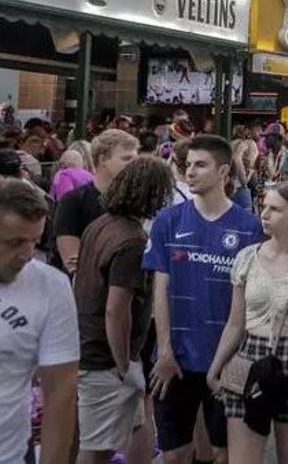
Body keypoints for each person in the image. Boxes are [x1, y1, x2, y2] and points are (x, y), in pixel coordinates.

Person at [144, 135, 264, 464]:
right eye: (187, 165)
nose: (190, 172)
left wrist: (240, 359)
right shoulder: (168, 220)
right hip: (175, 359)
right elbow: (160, 289)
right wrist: (164, 349)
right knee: (174, 454)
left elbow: (252, 301)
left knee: (223, 454)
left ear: (224, 171)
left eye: (200, 165)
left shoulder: (251, 227)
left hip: (230, 361)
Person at [208, 183, 288, 464]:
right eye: (263, 206)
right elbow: (235, 322)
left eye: (274, 209)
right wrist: (216, 367)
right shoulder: (246, 258)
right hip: (247, 357)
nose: (264, 214)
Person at [73, 156, 174, 464]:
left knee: (132, 425)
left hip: (87, 346)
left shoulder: (99, 225)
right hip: (106, 358)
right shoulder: (132, 240)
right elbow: (116, 309)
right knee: (98, 448)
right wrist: (124, 366)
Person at [0, 179, 78, 464]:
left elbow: (61, 391)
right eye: (15, 242)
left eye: (35, 240)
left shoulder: (51, 287)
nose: (27, 253)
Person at [54, 128, 139, 277]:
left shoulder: (136, 200)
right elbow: (72, 262)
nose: (135, 165)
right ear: (102, 160)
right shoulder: (74, 201)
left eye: (135, 159)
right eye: (126, 159)